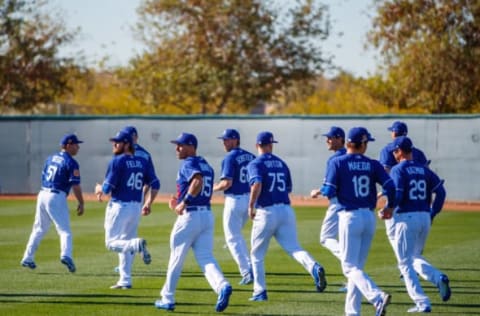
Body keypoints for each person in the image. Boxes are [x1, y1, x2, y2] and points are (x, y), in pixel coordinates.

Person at [155, 132, 232, 313]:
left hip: (190, 216)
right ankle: (222, 286)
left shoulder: (189, 163)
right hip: (206, 215)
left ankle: (167, 298)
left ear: (191, 146)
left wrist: (184, 201)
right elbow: (199, 183)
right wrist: (181, 200)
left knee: (176, 258)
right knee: (206, 257)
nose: (177, 148)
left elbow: (197, 181)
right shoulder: (206, 164)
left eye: (180, 145)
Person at [322, 127, 395, 316]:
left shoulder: (337, 162)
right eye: (366, 142)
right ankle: (352, 312)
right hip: (369, 217)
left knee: (349, 267)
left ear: (347, 143)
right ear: (362, 144)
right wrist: (389, 207)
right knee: (357, 268)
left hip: (350, 216)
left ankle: (377, 297)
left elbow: (329, 192)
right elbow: (390, 186)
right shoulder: (373, 164)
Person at [247, 131, 327, 302]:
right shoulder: (282, 164)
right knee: (294, 248)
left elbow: (257, 184)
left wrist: (251, 205)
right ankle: (314, 266)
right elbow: (288, 189)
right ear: (271, 145)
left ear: (257, 145)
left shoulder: (255, 163)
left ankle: (259, 292)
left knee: (257, 254)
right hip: (285, 210)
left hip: (266, 211)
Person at [389, 136, 450, 313]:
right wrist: (433, 213)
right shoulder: (424, 170)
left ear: (400, 151)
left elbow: (398, 193)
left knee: (405, 263)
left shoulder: (397, 169)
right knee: (414, 257)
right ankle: (438, 278)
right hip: (424, 216)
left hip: (406, 218)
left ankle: (422, 302)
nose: (394, 154)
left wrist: (388, 207)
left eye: (395, 151)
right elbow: (441, 192)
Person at [95, 129, 160, 289]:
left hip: (119, 206)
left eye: (117, 142)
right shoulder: (142, 161)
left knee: (111, 243)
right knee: (124, 241)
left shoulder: (117, 161)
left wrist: (98, 189)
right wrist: (148, 202)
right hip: (135, 207)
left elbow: (107, 188)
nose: (114, 144)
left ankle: (136, 246)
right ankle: (125, 279)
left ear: (126, 144)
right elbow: (155, 184)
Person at [21, 133, 85, 273]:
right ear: (68, 145)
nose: (78, 147)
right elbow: (76, 186)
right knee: (65, 231)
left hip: (43, 193)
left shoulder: (50, 158)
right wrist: (81, 202)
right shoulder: (71, 162)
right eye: (75, 144)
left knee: (38, 229)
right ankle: (66, 255)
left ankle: (28, 257)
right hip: (56, 196)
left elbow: (43, 175)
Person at [112, 125, 158, 273]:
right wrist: (147, 202)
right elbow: (151, 181)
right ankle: (125, 269)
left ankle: (128, 261)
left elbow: (115, 177)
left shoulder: (122, 155)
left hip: (121, 200)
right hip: (136, 201)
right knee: (128, 235)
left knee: (117, 238)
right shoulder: (144, 154)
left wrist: (102, 189)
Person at [213, 128, 256, 285]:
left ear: (235, 140)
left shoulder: (230, 157)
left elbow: (227, 183)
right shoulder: (252, 156)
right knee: (236, 235)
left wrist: (211, 188)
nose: (224, 142)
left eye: (227, 139)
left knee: (232, 238)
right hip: (250, 199)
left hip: (235, 200)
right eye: (223, 140)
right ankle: (252, 268)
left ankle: (247, 271)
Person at [310, 126, 347, 292]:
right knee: (348, 240)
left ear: (340, 139)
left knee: (326, 238)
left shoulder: (335, 160)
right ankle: (352, 278)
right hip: (356, 205)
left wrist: (318, 191)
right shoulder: (354, 156)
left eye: (331, 137)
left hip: (339, 203)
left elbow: (330, 189)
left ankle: (348, 262)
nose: (327, 140)